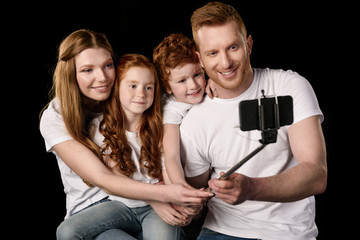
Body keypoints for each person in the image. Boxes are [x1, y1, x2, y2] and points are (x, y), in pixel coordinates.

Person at [40, 30, 213, 239]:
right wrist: (167, 195)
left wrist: (212, 82)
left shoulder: (137, 101)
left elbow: (175, 88)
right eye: (87, 70)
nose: (102, 77)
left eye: (107, 65)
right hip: (100, 207)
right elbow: (104, 177)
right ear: (71, 74)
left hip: (149, 203)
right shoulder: (60, 118)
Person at [180, 2, 327, 240]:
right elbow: (196, 195)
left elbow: (316, 174)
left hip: (287, 233)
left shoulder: (288, 86)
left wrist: (251, 188)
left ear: (248, 45)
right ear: (200, 59)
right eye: (213, 53)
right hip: (220, 230)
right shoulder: (193, 119)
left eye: (233, 47)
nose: (225, 63)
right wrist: (191, 205)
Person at [153, 33, 207, 185]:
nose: (193, 85)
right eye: (182, 80)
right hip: (172, 168)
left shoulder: (206, 88)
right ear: (167, 87)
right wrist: (182, 187)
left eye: (197, 75)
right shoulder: (171, 111)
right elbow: (171, 157)